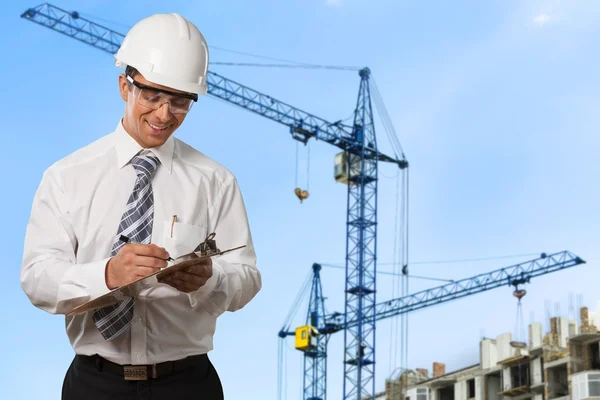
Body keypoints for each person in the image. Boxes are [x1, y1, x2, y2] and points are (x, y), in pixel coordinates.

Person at [20, 12, 261, 400]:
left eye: (180, 101)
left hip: (188, 384)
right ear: (123, 86)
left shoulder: (215, 181)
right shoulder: (66, 177)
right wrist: (109, 275)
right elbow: (37, 279)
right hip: (93, 383)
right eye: (152, 96)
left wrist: (211, 279)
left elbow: (247, 277)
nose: (164, 115)